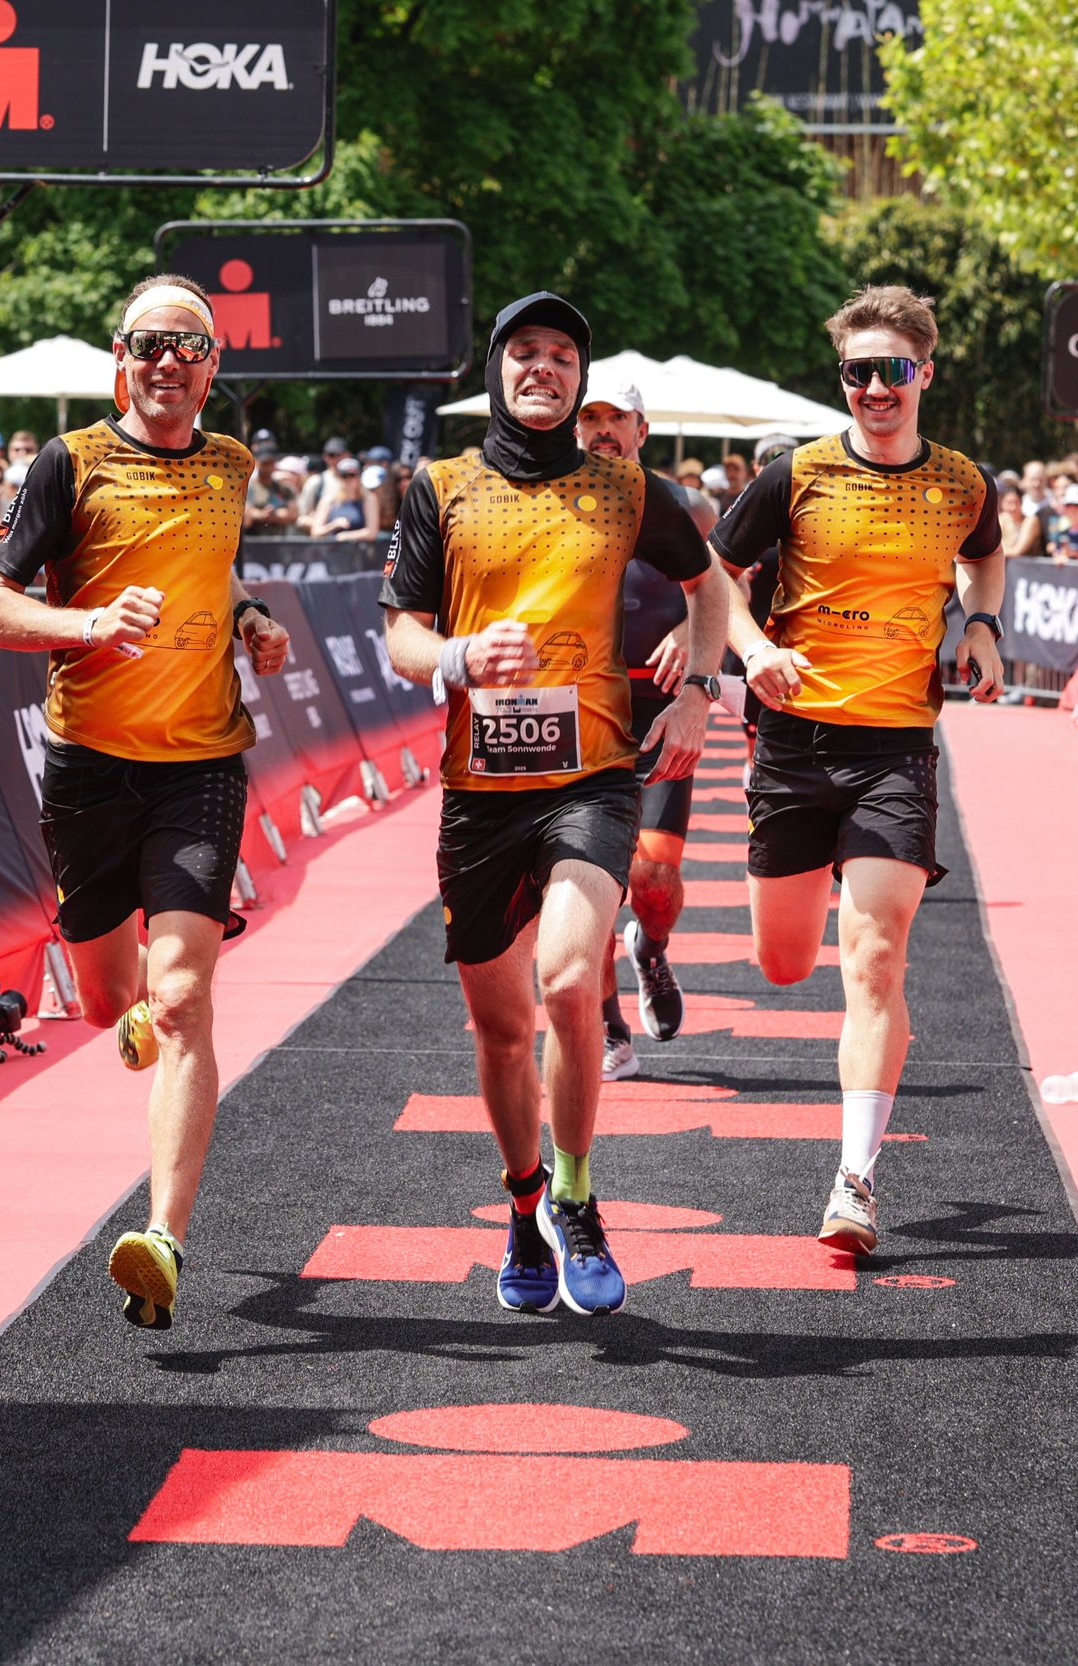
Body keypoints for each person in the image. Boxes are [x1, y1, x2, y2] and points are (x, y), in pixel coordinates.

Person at [382, 293, 724, 1318]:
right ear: (498, 369)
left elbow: (709, 588)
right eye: (525, 352)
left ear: (581, 378)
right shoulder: (438, 487)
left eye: (562, 355)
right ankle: (523, 1203)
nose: (543, 367)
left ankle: (576, 1197)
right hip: (479, 791)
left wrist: (700, 691)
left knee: (571, 979)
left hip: (593, 775)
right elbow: (398, 635)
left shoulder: (628, 491)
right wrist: (455, 655)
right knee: (498, 1028)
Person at [0, 274, 292, 1331]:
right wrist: (91, 623)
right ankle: (135, 1009)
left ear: (213, 368)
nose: (168, 363)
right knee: (110, 1003)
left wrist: (247, 619)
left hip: (201, 759)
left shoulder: (233, 465)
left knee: (189, 998)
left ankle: (161, 1239)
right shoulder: (68, 460)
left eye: (188, 348)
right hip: (89, 763)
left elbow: (214, 569)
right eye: (149, 344)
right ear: (121, 356)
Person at [707, 283, 1004, 1260]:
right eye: (857, 372)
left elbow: (983, 557)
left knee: (874, 958)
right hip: (792, 744)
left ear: (926, 371)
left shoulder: (962, 481)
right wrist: (750, 651)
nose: (875, 388)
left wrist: (983, 625)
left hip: (895, 747)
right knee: (784, 961)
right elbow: (718, 574)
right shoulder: (794, 475)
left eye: (893, 370)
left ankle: (855, 1179)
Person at [572, 381, 705, 1080]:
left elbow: (723, 591)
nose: (601, 430)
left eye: (614, 418)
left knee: (653, 876)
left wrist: (689, 634)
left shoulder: (680, 505)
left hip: (657, 714)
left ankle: (651, 950)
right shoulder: (545, 502)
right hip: (577, 716)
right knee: (587, 883)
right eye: (589, 417)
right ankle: (608, 1026)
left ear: (641, 428)